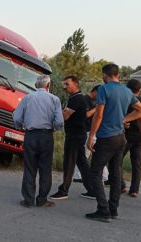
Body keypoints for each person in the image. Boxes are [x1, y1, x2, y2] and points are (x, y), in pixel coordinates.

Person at [85, 64, 141, 223]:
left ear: (105, 75)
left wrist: (91, 136)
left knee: (95, 172)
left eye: (103, 75)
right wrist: (124, 119)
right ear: (117, 74)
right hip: (121, 137)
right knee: (116, 172)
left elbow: (98, 115)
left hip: (106, 137)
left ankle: (103, 210)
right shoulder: (127, 91)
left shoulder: (104, 89)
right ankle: (113, 209)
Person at [13, 75, 64, 208]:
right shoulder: (55, 99)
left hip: (30, 135)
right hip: (46, 136)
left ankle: (28, 200)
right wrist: (54, 128)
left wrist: (20, 126)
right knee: (45, 169)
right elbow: (59, 121)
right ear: (48, 85)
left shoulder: (27, 98)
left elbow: (17, 117)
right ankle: (42, 199)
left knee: (30, 168)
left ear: (36, 86)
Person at [50, 76, 95, 200]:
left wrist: (58, 113)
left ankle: (63, 190)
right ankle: (92, 190)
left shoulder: (76, 98)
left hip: (75, 135)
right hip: (78, 134)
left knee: (69, 162)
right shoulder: (76, 98)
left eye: (67, 84)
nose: (65, 86)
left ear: (75, 84)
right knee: (82, 163)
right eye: (64, 84)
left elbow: (65, 116)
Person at [73, 85, 109, 184]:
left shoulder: (96, 101)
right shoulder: (85, 99)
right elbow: (86, 115)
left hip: (95, 131)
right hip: (86, 130)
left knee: (98, 154)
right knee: (84, 154)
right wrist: (97, 108)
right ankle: (78, 176)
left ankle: (105, 176)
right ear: (96, 92)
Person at [121, 79, 141, 197]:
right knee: (137, 164)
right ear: (139, 89)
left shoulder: (125, 101)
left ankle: (121, 185)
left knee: (116, 161)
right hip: (139, 137)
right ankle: (134, 190)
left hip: (125, 135)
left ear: (127, 88)